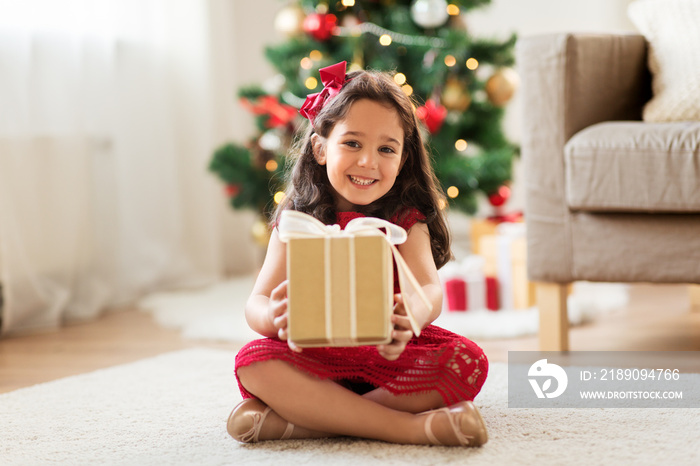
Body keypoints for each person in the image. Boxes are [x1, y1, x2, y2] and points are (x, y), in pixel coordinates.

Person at [228, 62, 488, 446]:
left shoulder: (406, 220)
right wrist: (273, 316)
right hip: (316, 356)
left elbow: (430, 291)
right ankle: (406, 428)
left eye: (386, 149)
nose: (368, 161)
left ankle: (305, 422)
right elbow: (258, 301)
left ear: (401, 161)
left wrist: (411, 315)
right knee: (253, 362)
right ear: (320, 148)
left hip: (388, 356)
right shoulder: (297, 221)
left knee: (467, 361)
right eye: (352, 143)